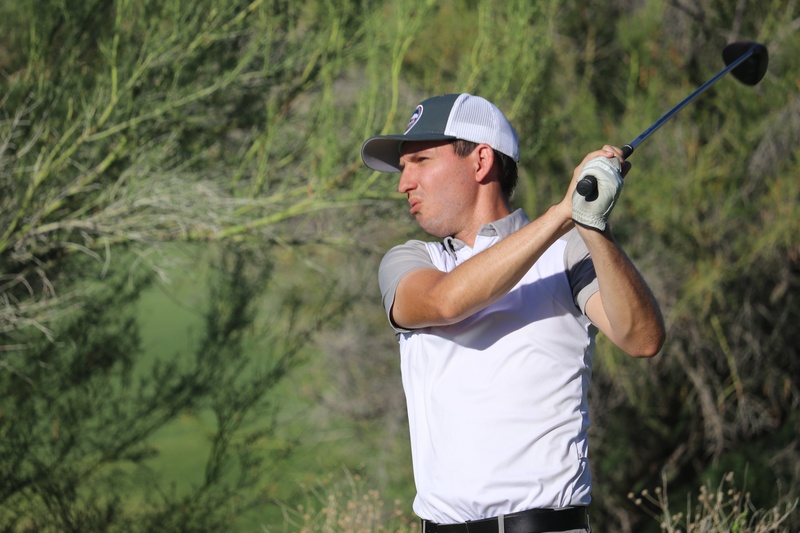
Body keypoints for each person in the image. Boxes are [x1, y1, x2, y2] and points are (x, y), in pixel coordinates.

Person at [361, 93, 665, 533]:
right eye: (403, 168)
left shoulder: (568, 253)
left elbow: (642, 339)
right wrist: (562, 214)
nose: (403, 183)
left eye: (421, 161)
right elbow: (445, 302)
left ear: (481, 161)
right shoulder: (412, 261)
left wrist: (592, 225)